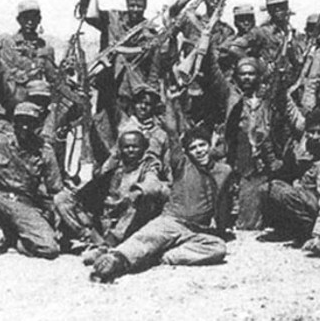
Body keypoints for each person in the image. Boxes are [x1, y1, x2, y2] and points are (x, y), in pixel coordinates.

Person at [89, 94, 230, 283]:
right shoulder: (183, 164)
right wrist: (171, 102)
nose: (199, 151)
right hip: (171, 221)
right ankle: (115, 260)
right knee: (146, 238)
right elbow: (172, 132)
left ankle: (162, 256)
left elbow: (222, 201)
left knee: (218, 248)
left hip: (197, 231)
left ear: (209, 146)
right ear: (187, 152)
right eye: (193, 148)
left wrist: (220, 228)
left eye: (202, 145)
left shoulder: (224, 171)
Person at [0, 102, 63, 264]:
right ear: (14, 123)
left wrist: (55, 220)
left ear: (38, 125)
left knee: (50, 249)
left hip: (26, 207)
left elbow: (55, 189)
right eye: (21, 121)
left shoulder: (44, 151)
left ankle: (14, 239)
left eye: (30, 122)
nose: (25, 127)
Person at [202, 42, 281, 229]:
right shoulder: (231, 94)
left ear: (258, 76)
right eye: (242, 74)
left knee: (250, 224)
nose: (246, 77)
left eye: (251, 73)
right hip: (236, 154)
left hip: (261, 161)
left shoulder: (267, 98)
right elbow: (213, 72)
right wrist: (207, 45)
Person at [54, 130, 168, 254]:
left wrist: (139, 190)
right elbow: (96, 180)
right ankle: (90, 238)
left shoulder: (148, 164)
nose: (130, 150)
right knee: (63, 198)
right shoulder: (115, 163)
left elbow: (152, 183)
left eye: (135, 147)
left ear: (143, 148)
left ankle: (109, 244)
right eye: (126, 147)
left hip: (128, 218)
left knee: (141, 199)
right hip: (105, 215)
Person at [259, 109, 320, 255]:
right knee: (266, 188)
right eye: (311, 132)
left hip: (317, 206)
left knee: (281, 191)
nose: (315, 136)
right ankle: (286, 229)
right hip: (305, 197)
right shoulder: (305, 148)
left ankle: (309, 232)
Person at [0, 1, 58, 120]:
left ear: (39, 19)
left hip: (35, 109)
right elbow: (4, 77)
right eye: (25, 18)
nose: (30, 22)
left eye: (34, 17)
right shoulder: (7, 44)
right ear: (19, 20)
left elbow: (52, 79)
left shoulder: (45, 48)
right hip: (9, 108)